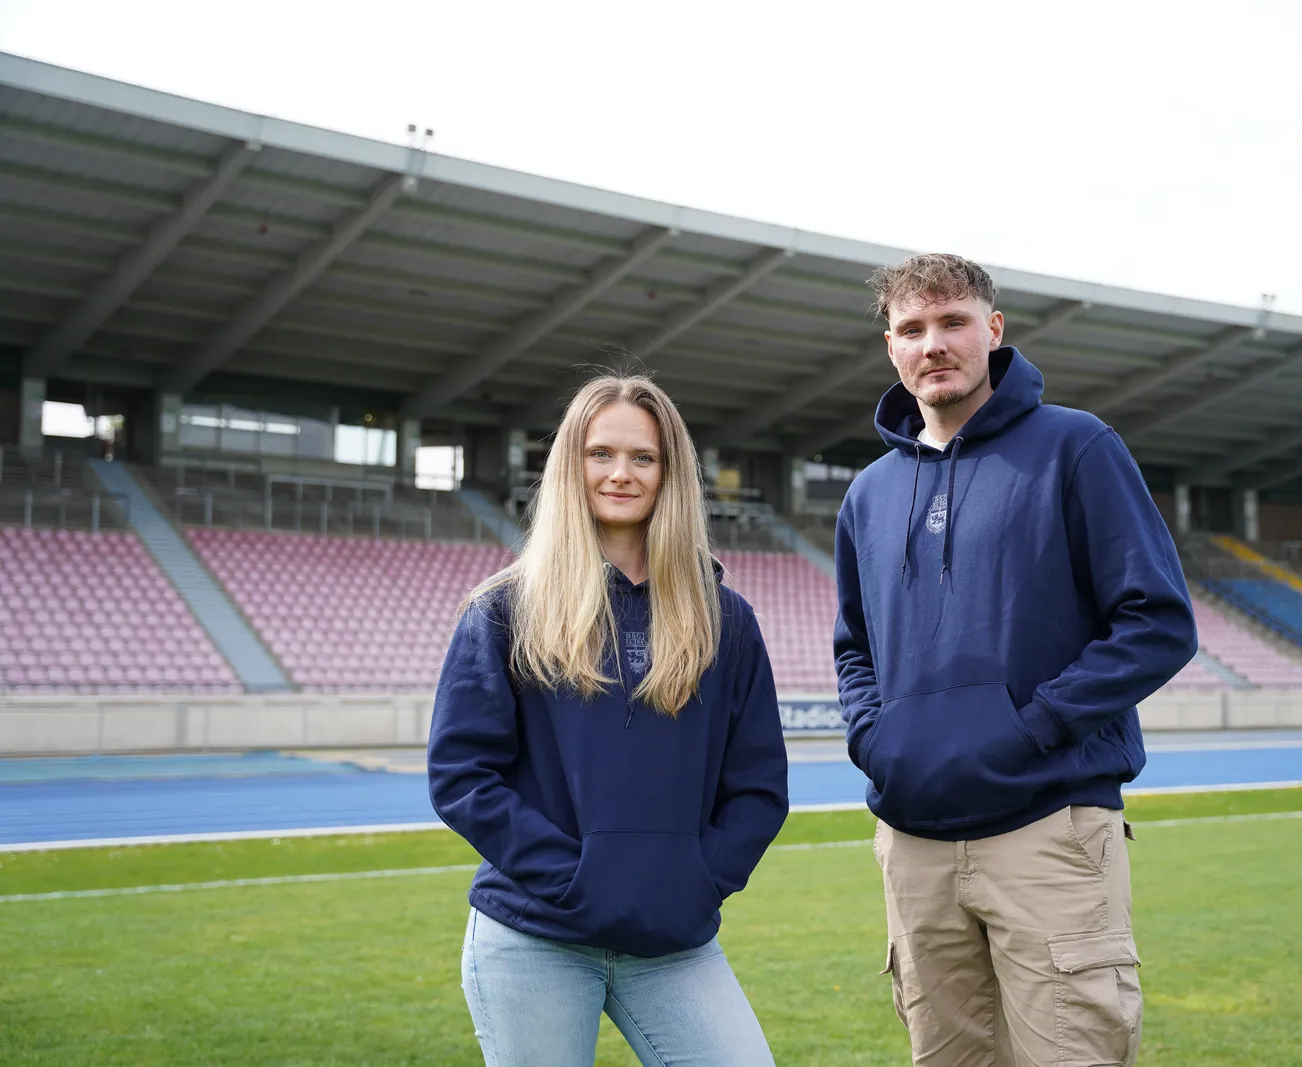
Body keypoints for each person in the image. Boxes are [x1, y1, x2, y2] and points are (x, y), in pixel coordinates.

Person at [834, 254, 1198, 1066]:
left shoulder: (1077, 446)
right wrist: (873, 738)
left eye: (953, 321)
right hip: (913, 840)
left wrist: (1036, 726)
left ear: (993, 330)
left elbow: (1158, 621)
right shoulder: (867, 494)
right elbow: (854, 647)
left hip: (1047, 827)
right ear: (891, 346)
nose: (933, 343)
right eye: (912, 328)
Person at [428, 374, 788, 1066]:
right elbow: (462, 776)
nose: (621, 473)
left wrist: (695, 880)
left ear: (669, 473)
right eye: (601, 453)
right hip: (535, 935)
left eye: (643, 457)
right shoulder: (504, 610)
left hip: (672, 939)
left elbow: (758, 786)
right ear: (573, 464)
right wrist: (576, 878)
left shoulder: (726, 619)